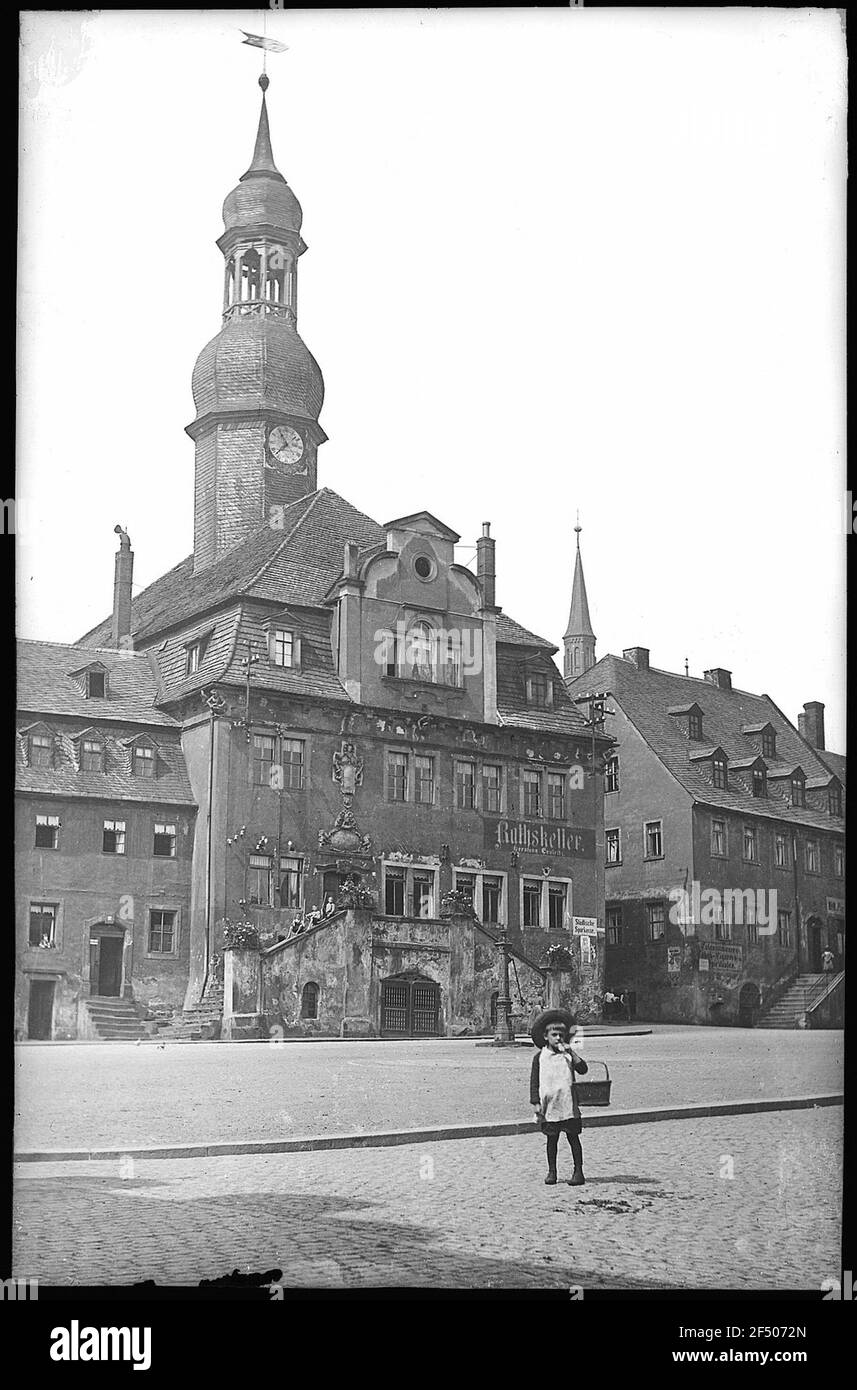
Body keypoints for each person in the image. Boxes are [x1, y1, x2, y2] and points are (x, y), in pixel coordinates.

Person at [529, 1008, 588, 1186]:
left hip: (567, 1104)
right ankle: (552, 1171)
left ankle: (578, 1171)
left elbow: (583, 1070)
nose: (558, 1038)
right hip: (550, 1105)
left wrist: (573, 1053)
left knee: (573, 1138)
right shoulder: (540, 1057)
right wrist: (536, 1103)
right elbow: (534, 1082)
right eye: (554, 1034)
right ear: (546, 1036)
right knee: (552, 1139)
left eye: (561, 1034)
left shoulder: (568, 1055)